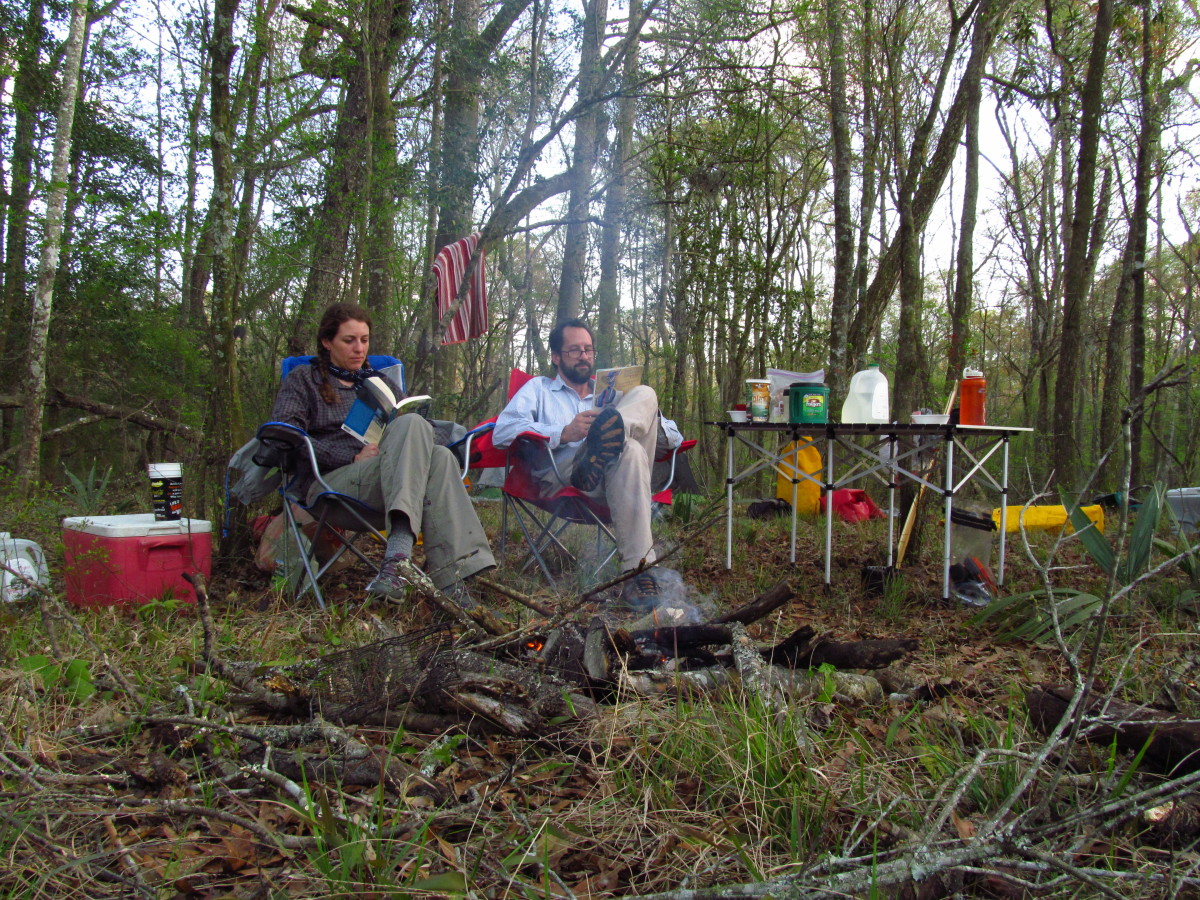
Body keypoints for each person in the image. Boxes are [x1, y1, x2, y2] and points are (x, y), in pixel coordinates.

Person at [270, 302, 495, 603]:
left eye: (364, 340)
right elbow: (287, 433)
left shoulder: (380, 383)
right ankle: (402, 560)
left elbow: (421, 430)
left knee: (435, 451)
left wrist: (429, 434)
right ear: (327, 342)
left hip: (390, 481)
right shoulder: (304, 380)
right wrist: (349, 457)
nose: (359, 349)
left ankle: (447, 581)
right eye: (349, 340)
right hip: (331, 486)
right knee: (417, 433)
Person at [492, 318, 683, 606]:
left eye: (588, 349)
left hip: (619, 478)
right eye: (574, 350)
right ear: (556, 357)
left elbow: (675, 439)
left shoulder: (613, 393)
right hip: (564, 473)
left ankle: (607, 440)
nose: (584, 356)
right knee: (628, 449)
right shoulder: (538, 389)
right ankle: (639, 571)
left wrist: (648, 418)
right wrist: (564, 433)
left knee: (643, 402)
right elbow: (502, 432)